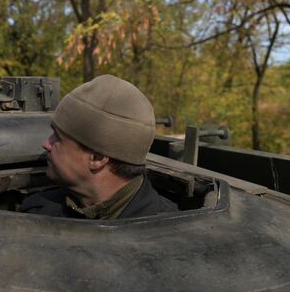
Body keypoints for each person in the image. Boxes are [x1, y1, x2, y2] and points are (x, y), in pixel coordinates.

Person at [20, 75, 177, 219]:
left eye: (58, 138)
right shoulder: (38, 213)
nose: (46, 144)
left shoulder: (166, 232)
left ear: (97, 158)